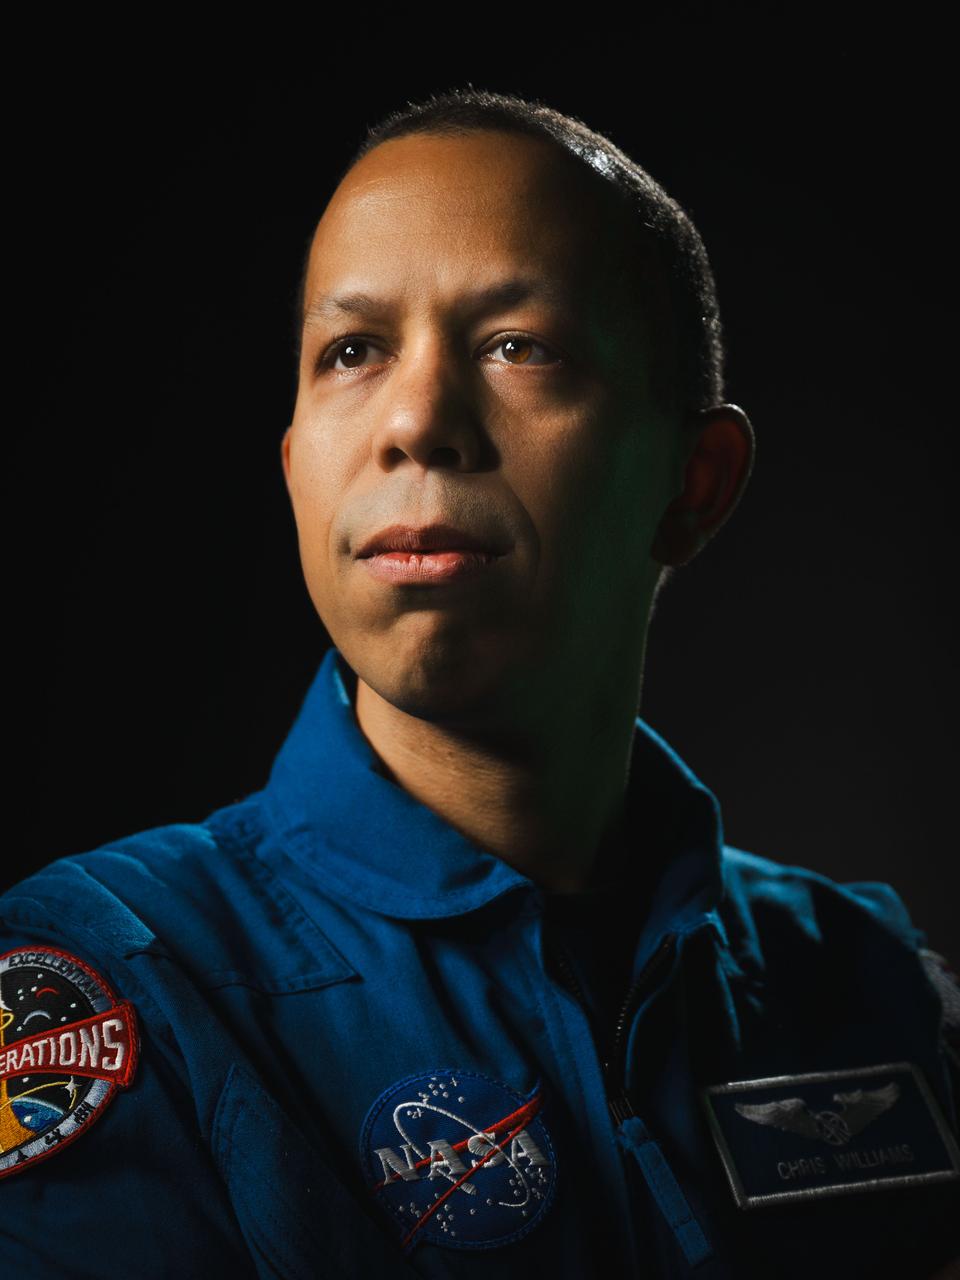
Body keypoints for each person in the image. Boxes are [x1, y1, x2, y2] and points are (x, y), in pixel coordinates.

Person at [1, 87, 958, 1280]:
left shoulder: (868, 978)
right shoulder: (112, 980)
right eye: (351, 352)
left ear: (694, 480)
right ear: (297, 466)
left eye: (518, 345)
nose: (415, 419)